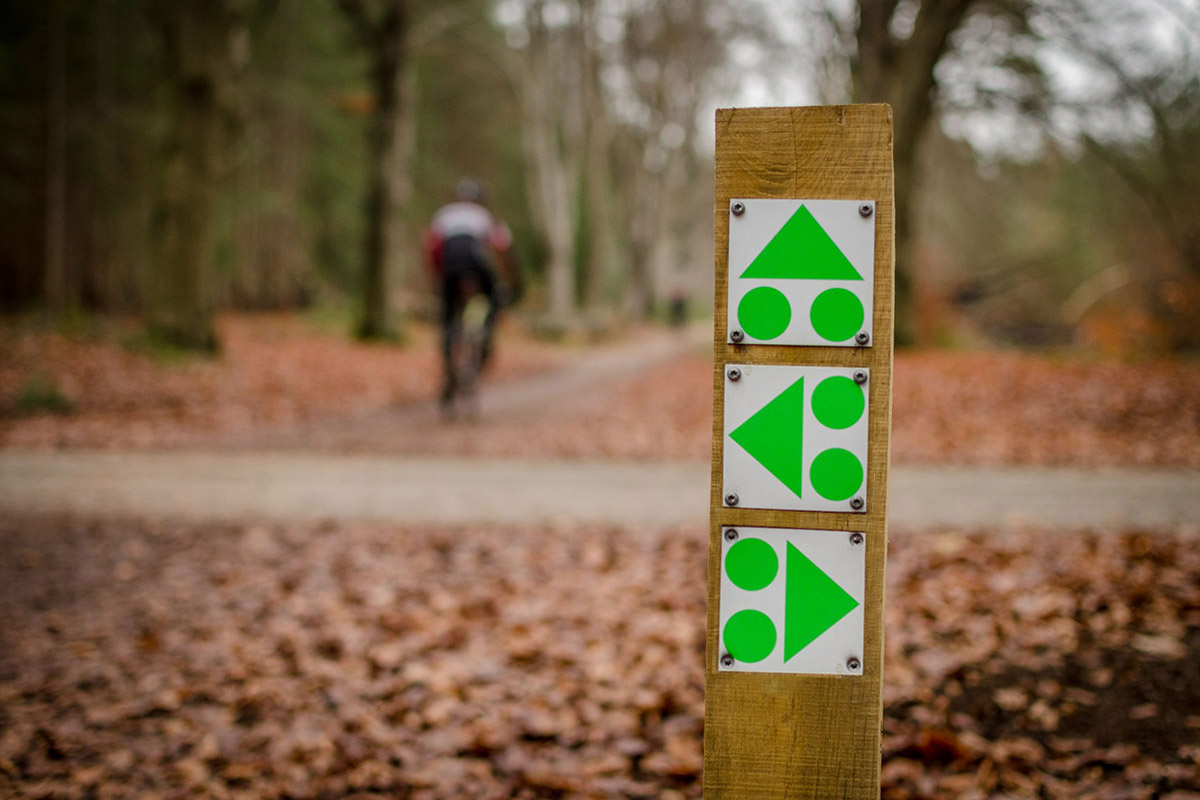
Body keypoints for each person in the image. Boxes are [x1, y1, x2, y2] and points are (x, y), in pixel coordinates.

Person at [423, 178, 520, 409]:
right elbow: (502, 248)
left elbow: (432, 248)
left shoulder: (444, 215)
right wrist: (511, 283)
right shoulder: (484, 216)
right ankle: (486, 336)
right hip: (476, 265)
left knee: (448, 318)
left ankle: (448, 372)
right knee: (494, 298)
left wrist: (437, 278)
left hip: (449, 269)